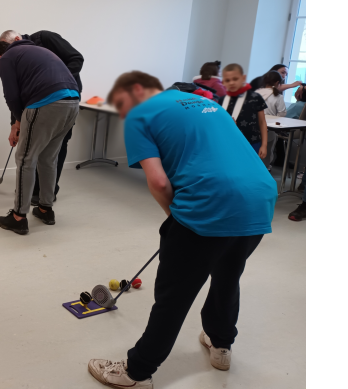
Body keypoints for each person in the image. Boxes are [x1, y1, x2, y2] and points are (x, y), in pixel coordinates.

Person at [87, 71, 276, 389]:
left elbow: (159, 182)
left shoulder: (139, 116)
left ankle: (137, 371)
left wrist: (178, 220)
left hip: (211, 200)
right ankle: (221, 345)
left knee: (174, 295)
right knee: (227, 276)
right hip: (260, 198)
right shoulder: (208, 104)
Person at [0, 39, 80, 235]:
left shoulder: (7, 58)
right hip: (72, 103)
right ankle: (46, 209)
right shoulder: (35, 50)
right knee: (48, 158)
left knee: (25, 159)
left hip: (46, 102)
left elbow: (12, 95)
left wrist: (20, 122)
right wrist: (19, 122)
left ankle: (18, 217)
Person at [0, 30, 84, 206]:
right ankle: (35, 193)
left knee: (54, 148)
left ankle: (46, 193)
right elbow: (18, 93)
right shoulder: (20, 57)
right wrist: (15, 124)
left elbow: (76, 58)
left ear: (17, 39)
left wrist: (58, 78)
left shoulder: (44, 38)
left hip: (63, 97)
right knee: (39, 150)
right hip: (43, 100)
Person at [219, 64, 269, 160]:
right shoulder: (222, 100)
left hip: (252, 143)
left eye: (235, 79)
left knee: (250, 167)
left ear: (243, 78)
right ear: (223, 82)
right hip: (229, 143)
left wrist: (264, 145)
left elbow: (262, 122)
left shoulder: (255, 97)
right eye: (227, 80)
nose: (231, 83)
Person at [256, 71, 287, 170]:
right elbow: (282, 113)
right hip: (270, 128)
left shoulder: (256, 93)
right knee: (268, 151)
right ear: (277, 82)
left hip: (254, 127)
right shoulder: (278, 96)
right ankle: (266, 169)